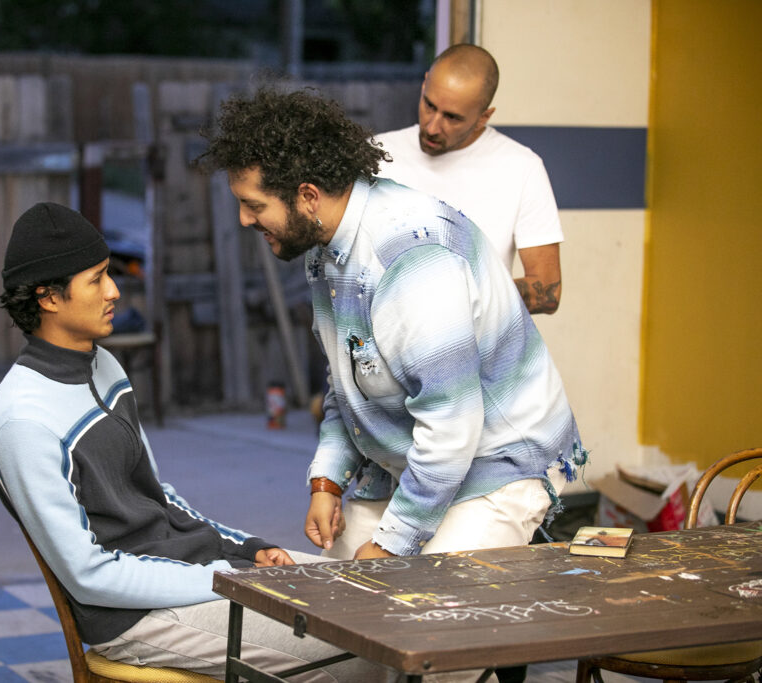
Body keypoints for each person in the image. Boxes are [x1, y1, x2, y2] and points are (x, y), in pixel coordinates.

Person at [0, 201, 400, 682]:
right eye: (96, 279)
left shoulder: (104, 365)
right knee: (363, 652)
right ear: (49, 298)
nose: (114, 291)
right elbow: (89, 575)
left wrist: (247, 550)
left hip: (192, 570)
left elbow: (160, 498)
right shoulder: (23, 418)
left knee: (375, 603)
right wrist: (226, 579)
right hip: (134, 617)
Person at [199, 87, 587, 567]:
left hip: (497, 459)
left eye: (254, 205)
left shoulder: (411, 261)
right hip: (421, 453)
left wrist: (391, 542)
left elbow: (450, 427)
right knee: (340, 587)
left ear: (307, 197)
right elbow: (351, 381)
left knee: (415, 605)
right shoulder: (327, 249)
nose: (243, 219)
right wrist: (328, 480)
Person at [375, 44, 563, 315]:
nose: (432, 126)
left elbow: (548, 290)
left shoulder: (522, 168)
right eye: (429, 105)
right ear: (425, 84)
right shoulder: (375, 154)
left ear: (483, 117)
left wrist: (456, 295)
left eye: (452, 118)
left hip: (477, 354)